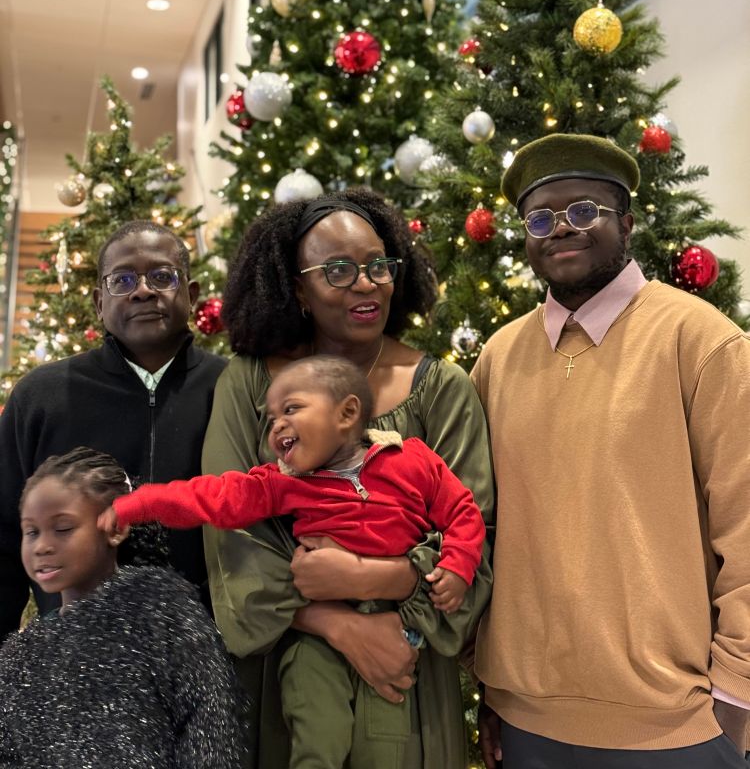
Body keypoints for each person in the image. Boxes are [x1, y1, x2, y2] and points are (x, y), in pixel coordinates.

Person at [471, 133, 750, 769]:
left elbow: (746, 523)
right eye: (540, 218)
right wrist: (491, 687)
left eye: (584, 211)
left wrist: (737, 697)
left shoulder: (702, 342)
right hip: (525, 717)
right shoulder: (498, 357)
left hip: (676, 724)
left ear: (626, 222)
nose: (560, 229)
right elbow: (483, 529)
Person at [202, 188, 495, 769]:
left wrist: (386, 591)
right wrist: (335, 625)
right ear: (297, 290)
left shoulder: (442, 389)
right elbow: (231, 532)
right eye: (337, 270)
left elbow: (475, 532)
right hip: (287, 678)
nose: (366, 284)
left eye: (377, 265)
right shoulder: (252, 386)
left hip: (405, 671)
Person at [101, 354, 486, 769]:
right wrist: (135, 505)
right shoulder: (282, 482)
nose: (276, 425)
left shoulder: (412, 460)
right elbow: (208, 497)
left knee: (386, 743)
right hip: (317, 638)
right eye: (270, 418)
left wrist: (458, 565)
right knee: (318, 727)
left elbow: (463, 511)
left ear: (347, 412)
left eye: (291, 409)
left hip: (400, 630)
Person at [0, 220, 226, 635]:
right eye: (122, 280)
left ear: (191, 295)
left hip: (213, 652)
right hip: (77, 657)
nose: (143, 290)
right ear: (99, 302)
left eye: (162, 276)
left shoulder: (230, 390)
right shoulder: (40, 398)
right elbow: (3, 535)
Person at [0, 446, 243, 768]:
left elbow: (210, 720)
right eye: (31, 532)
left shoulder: (162, 606)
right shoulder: (20, 656)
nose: (42, 545)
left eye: (62, 529)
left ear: (116, 528)